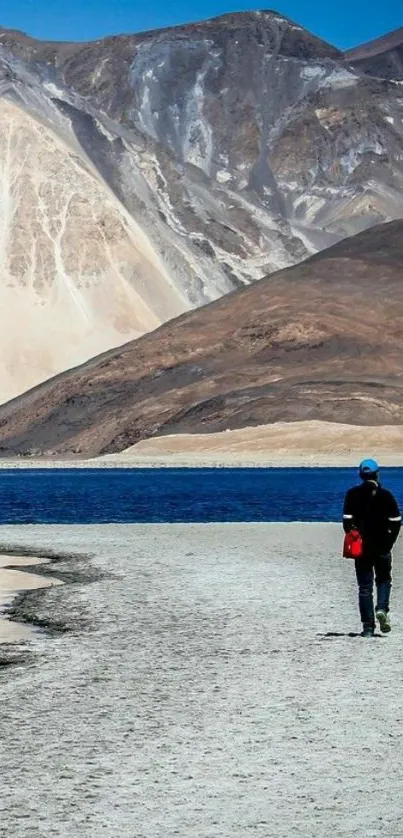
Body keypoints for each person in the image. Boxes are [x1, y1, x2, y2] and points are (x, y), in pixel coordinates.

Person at [343, 459, 401, 637]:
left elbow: (347, 522)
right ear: (377, 474)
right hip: (382, 546)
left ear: (361, 475)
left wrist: (354, 537)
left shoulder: (352, 494)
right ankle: (382, 608)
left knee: (364, 587)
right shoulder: (386, 495)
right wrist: (389, 542)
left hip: (362, 549)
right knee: (383, 580)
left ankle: (368, 627)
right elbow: (396, 523)